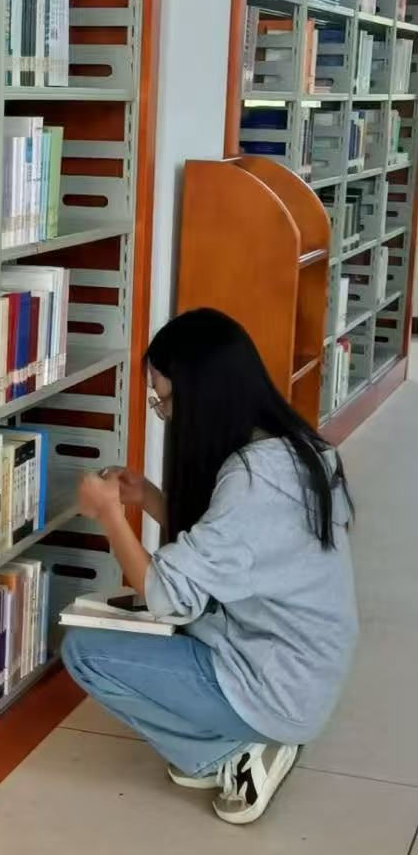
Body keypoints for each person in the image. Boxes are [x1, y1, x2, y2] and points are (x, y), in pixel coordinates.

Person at [62, 308, 358, 826]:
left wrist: (109, 515)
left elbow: (166, 594)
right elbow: (231, 547)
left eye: (163, 397)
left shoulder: (254, 480)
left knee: (84, 652)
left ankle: (232, 751)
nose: (163, 411)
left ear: (200, 394)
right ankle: (234, 738)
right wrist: (148, 498)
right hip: (299, 664)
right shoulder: (288, 450)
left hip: (279, 687)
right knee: (166, 629)